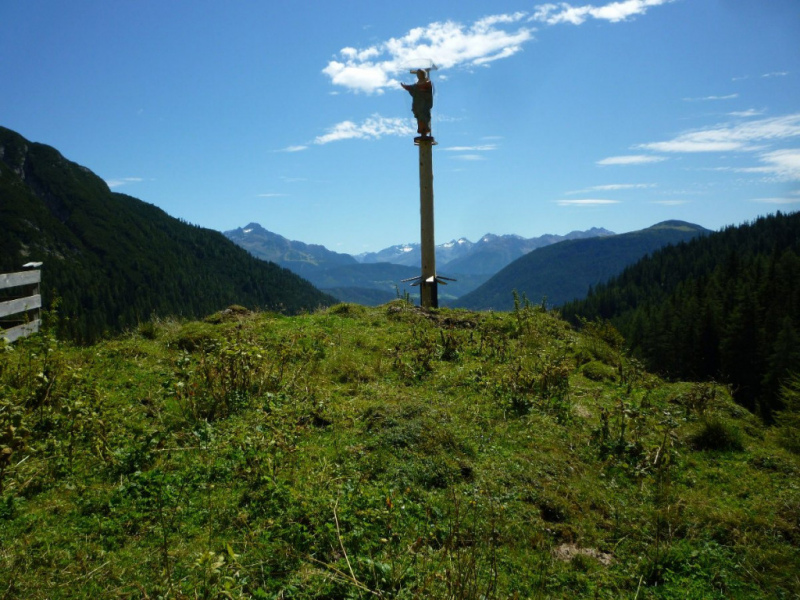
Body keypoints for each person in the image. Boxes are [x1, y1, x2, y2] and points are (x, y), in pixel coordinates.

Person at [401, 69, 433, 137]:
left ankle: (425, 129)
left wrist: (418, 89)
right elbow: (413, 88)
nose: (418, 75)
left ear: (423, 74)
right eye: (417, 74)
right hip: (417, 103)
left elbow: (425, 88)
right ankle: (421, 130)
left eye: (419, 74)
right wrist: (406, 87)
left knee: (423, 115)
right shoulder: (417, 84)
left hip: (424, 103)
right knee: (419, 116)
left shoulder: (427, 82)